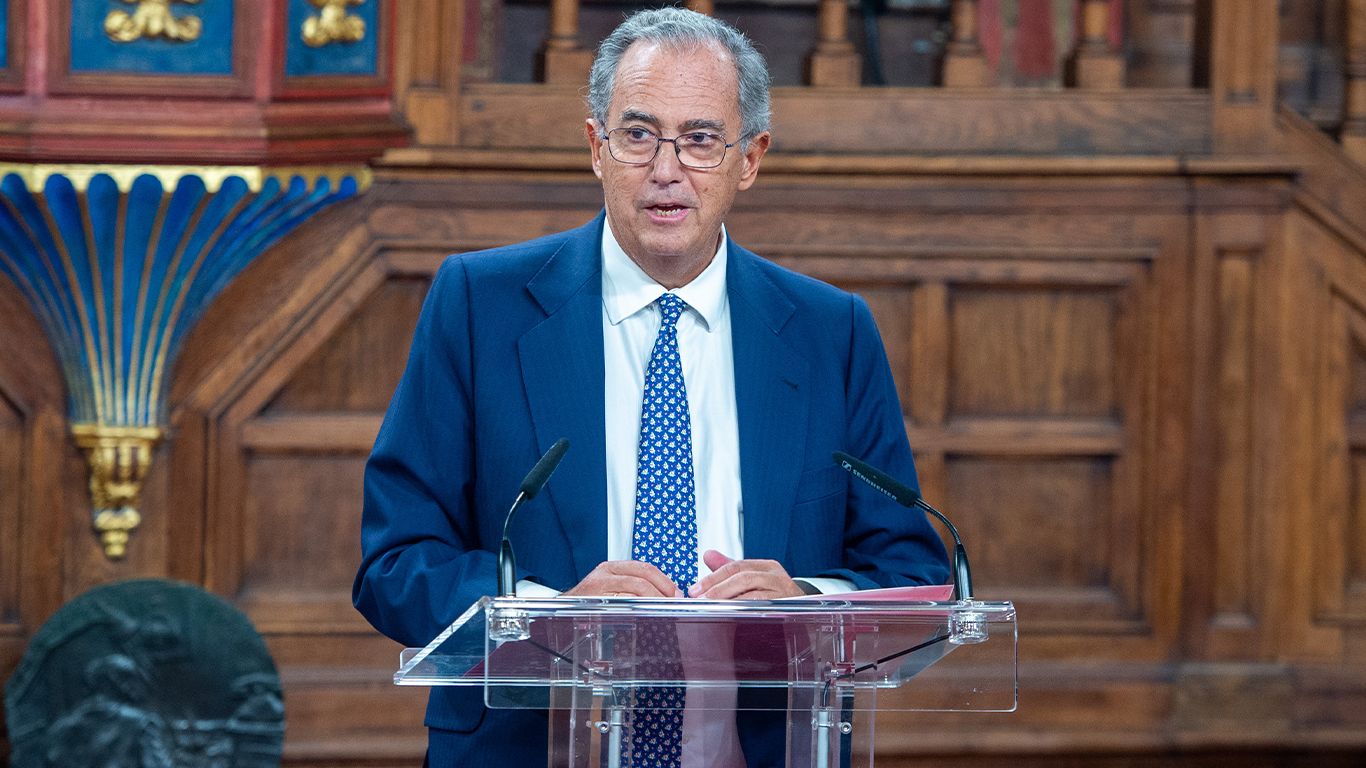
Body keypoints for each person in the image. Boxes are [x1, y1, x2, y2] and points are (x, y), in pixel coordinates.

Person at [353, 7, 950, 767]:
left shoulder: (832, 333)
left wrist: (803, 605)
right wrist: (548, 618)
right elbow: (396, 563)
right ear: (595, 148)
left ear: (750, 158)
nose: (667, 170)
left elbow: (912, 576)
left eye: (700, 140)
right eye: (638, 135)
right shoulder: (479, 305)